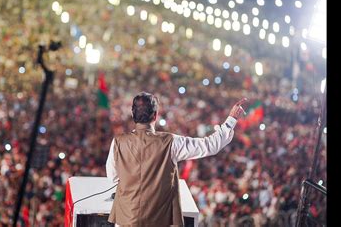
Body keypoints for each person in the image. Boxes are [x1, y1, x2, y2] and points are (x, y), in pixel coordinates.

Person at [106, 92, 248, 226]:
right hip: (159, 220)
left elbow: (113, 177)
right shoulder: (171, 142)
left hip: (125, 219)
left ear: (133, 114)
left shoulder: (118, 142)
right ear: (155, 116)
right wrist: (231, 120)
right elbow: (210, 145)